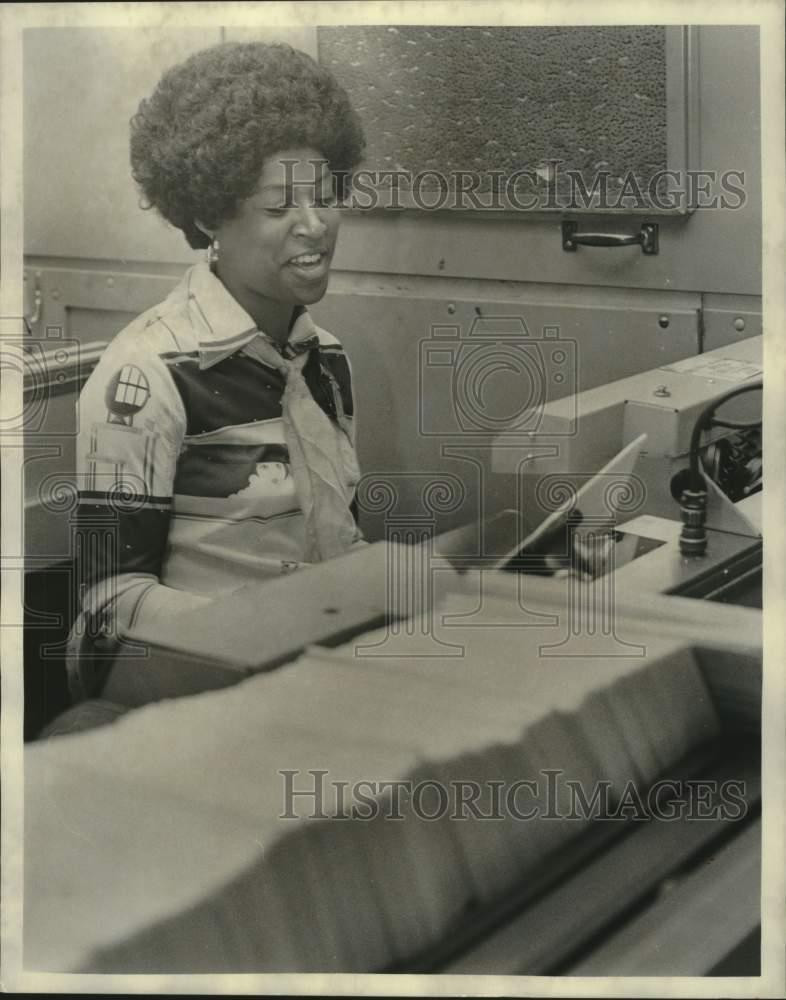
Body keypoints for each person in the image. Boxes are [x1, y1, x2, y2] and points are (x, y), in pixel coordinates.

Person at [68, 42, 367, 701]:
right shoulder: (144, 377)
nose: (316, 227)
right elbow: (107, 609)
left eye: (326, 196)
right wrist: (263, 624)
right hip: (208, 692)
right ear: (209, 216)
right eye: (280, 207)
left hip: (323, 675)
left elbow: (339, 544)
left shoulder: (329, 361)